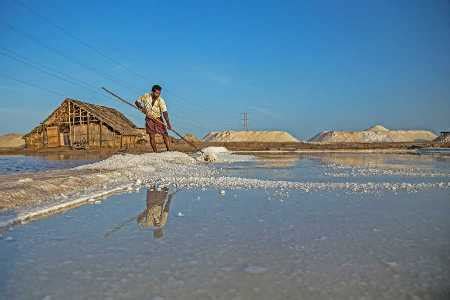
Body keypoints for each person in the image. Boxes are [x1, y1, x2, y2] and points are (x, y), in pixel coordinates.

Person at [135, 84, 172, 152]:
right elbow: (137, 102)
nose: (158, 95)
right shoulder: (146, 96)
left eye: (159, 93)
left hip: (158, 118)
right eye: (156, 93)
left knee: (165, 134)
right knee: (151, 136)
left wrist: (168, 124)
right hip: (149, 118)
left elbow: (165, 113)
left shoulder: (161, 100)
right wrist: (141, 108)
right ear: (152, 92)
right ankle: (155, 152)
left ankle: (169, 151)